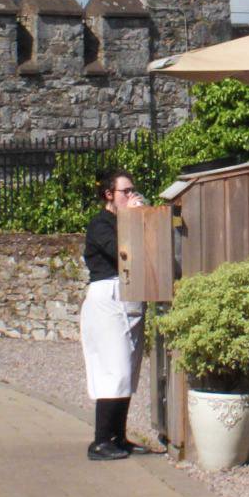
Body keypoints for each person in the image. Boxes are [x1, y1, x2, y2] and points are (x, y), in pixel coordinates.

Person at [80, 170, 146, 461]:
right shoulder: (100, 224)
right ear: (109, 195)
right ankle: (101, 440)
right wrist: (131, 219)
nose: (131, 196)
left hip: (129, 295)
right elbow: (118, 250)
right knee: (113, 367)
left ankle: (119, 436)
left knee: (128, 369)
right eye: (125, 191)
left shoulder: (126, 220)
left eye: (133, 191)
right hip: (107, 296)